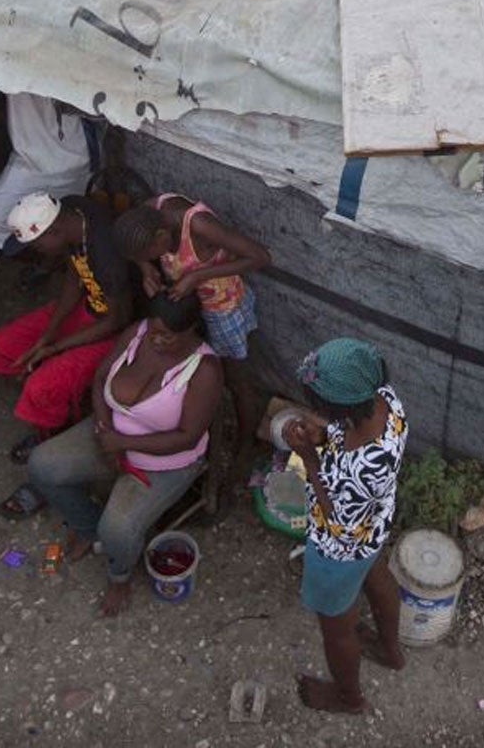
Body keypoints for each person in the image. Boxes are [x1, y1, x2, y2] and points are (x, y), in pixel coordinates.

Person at [26, 291, 222, 617]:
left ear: (190, 331)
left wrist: (123, 444)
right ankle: (85, 526)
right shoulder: (139, 333)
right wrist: (104, 428)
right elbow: (102, 376)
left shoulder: (204, 370)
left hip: (164, 464)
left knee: (116, 529)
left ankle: (120, 576)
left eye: (167, 336)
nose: (156, 340)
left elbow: (187, 438)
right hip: (109, 435)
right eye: (154, 331)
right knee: (42, 466)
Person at [281, 339, 409, 714]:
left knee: (337, 629)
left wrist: (308, 457)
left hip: (339, 547)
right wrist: (323, 435)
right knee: (376, 574)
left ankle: (347, 698)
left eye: (320, 407)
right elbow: (344, 438)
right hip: (374, 527)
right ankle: (390, 651)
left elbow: (335, 515)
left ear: (340, 410)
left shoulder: (360, 468)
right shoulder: (386, 399)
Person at [0, 190, 137, 492]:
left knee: (40, 388)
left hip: (114, 332)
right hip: (89, 308)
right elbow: (73, 276)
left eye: (36, 244)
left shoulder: (106, 256)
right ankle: (49, 407)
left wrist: (56, 347)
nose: (35, 252)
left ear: (54, 230)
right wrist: (47, 336)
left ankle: (52, 441)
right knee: (0, 346)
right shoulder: (71, 211)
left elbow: (117, 320)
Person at [114, 196, 268, 452]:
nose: (154, 259)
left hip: (222, 306)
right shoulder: (149, 212)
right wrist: (145, 268)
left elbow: (261, 257)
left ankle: (246, 441)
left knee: (236, 377)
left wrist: (198, 275)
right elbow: (136, 250)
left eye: (150, 254)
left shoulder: (198, 225)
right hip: (190, 303)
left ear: (162, 235)